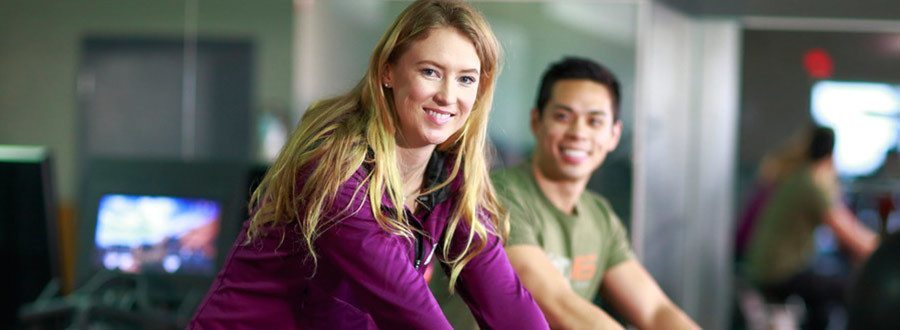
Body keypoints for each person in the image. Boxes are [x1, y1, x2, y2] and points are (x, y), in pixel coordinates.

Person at [189, 1, 548, 328]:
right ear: (388, 71)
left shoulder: (450, 182)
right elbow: (412, 312)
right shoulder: (335, 169)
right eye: (430, 72)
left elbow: (509, 304)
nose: (448, 96)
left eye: (466, 79)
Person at [431, 57, 697, 329]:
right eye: (562, 116)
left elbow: (655, 310)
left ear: (614, 135)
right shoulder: (497, 195)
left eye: (595, 121)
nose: (578, 132)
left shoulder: (600, 216)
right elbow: (557, 302)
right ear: (536, 122)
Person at [744, 125, 879, 330]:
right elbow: (849, 235)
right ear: (831, 155)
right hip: (778, 271)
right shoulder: (811, 184)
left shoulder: (801, 176)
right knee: (851, 290)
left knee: (823, 303)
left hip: (767, 267)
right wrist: (885, 249)